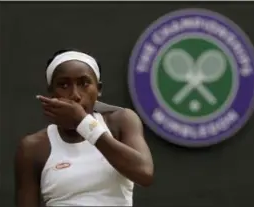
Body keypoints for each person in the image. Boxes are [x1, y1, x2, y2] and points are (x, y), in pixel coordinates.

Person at [14, 49, 154, 207]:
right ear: (51, 92)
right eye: (63, 85)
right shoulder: (33, 147)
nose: (75, 94)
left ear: (99, 89)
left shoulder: (121, 121)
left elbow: (144, 174)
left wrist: (84, 124)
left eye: (84, 83)